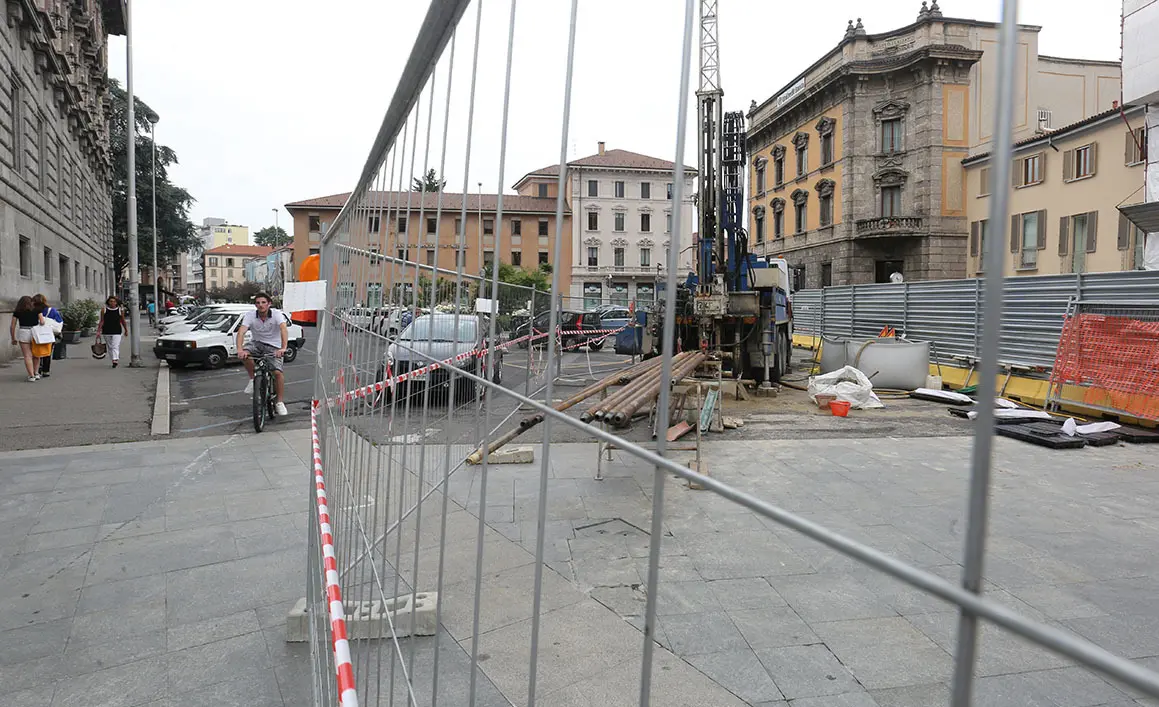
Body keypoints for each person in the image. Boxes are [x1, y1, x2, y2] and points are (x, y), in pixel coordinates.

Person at [237, 291, 289, 416]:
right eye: (258, 303)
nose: (260, 305)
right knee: (246, 353)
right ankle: (252, 379)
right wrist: (239, 349)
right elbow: (241, 332)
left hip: (273, 346)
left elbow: (283, 329)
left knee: (277, 373)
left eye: (263, 302)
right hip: (257, 343)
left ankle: (279, 402)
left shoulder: (277, 314)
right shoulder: (250, 315)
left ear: (269, 304)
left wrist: (283, 348)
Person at [9, 295, 46, 382]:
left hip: (23, 331)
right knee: (36, 354)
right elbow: (42, 322)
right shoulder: (37, 310)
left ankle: (31, 375)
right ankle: (36, 373)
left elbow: (12, 326)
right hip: (35, 332)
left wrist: (13, 338)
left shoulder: (18, 311)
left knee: (27, 355)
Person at [32, 294, 62, 377]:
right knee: (47, 352)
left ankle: (37, 370)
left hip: (36, 333)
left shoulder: (33, 310)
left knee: (37, 352)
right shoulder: (52, 310)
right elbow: (59, 321)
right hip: (49, 334)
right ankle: (46, 370)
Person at [96, 296, 128, 367]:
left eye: (114, 301)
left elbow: (123, 320)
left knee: (115, 345)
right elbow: (102, 321)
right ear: (108, 302)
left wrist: (126, 330)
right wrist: (98, 331)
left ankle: (115, 359)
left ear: (116, 302)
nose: (112, 303)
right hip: (106, 331)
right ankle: (113, 359)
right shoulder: (104, 310)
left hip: (117, 331)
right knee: (110, 346)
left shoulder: (120, 310)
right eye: (111, 301)